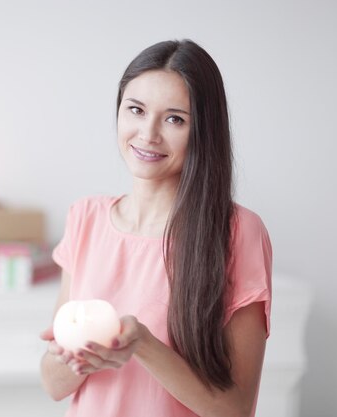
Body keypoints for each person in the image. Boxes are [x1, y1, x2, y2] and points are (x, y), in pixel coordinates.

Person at [39, 39, 272, 417]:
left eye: (174, 118)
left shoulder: (239, 232)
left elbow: (235, 409)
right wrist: (76, 357)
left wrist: (143, 345)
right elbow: (52, 384)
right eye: (136, 110)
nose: (148, 134)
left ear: (203, 131)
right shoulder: (86, 218)